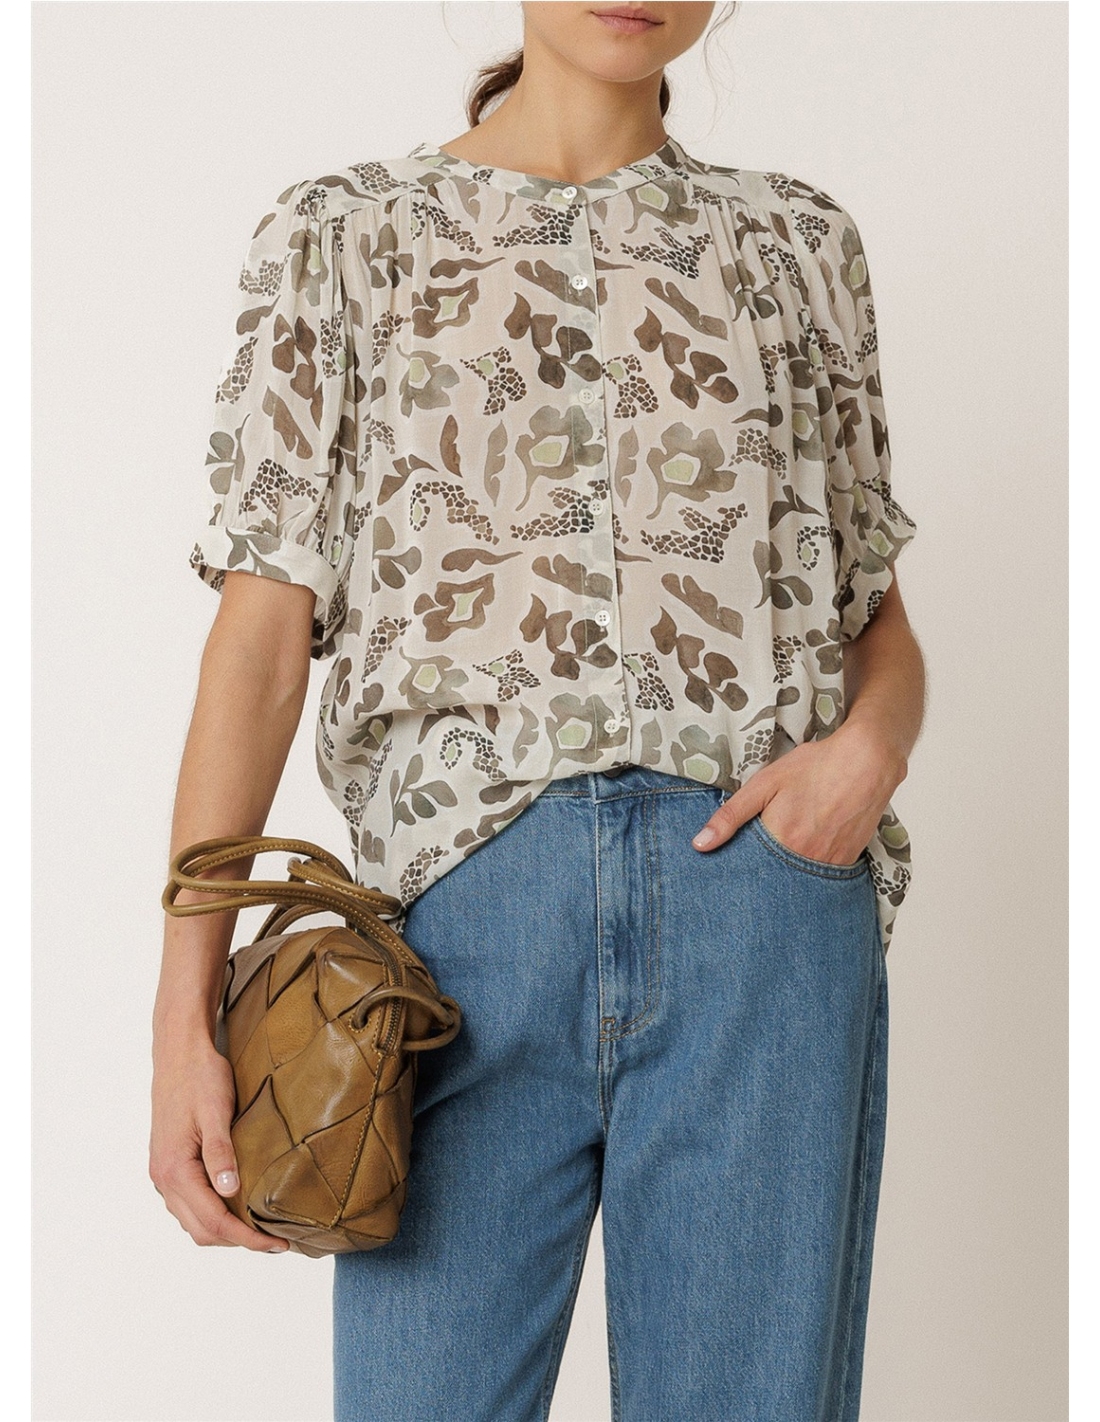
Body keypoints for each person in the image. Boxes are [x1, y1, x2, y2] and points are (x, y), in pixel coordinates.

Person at [150, 3, 926, 1418]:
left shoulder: (797, 245)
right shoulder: (345, 237)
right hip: (453, 944)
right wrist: (180, 1012)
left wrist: (868, 750)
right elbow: (258, 649)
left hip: (759, 913)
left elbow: (872, 613)